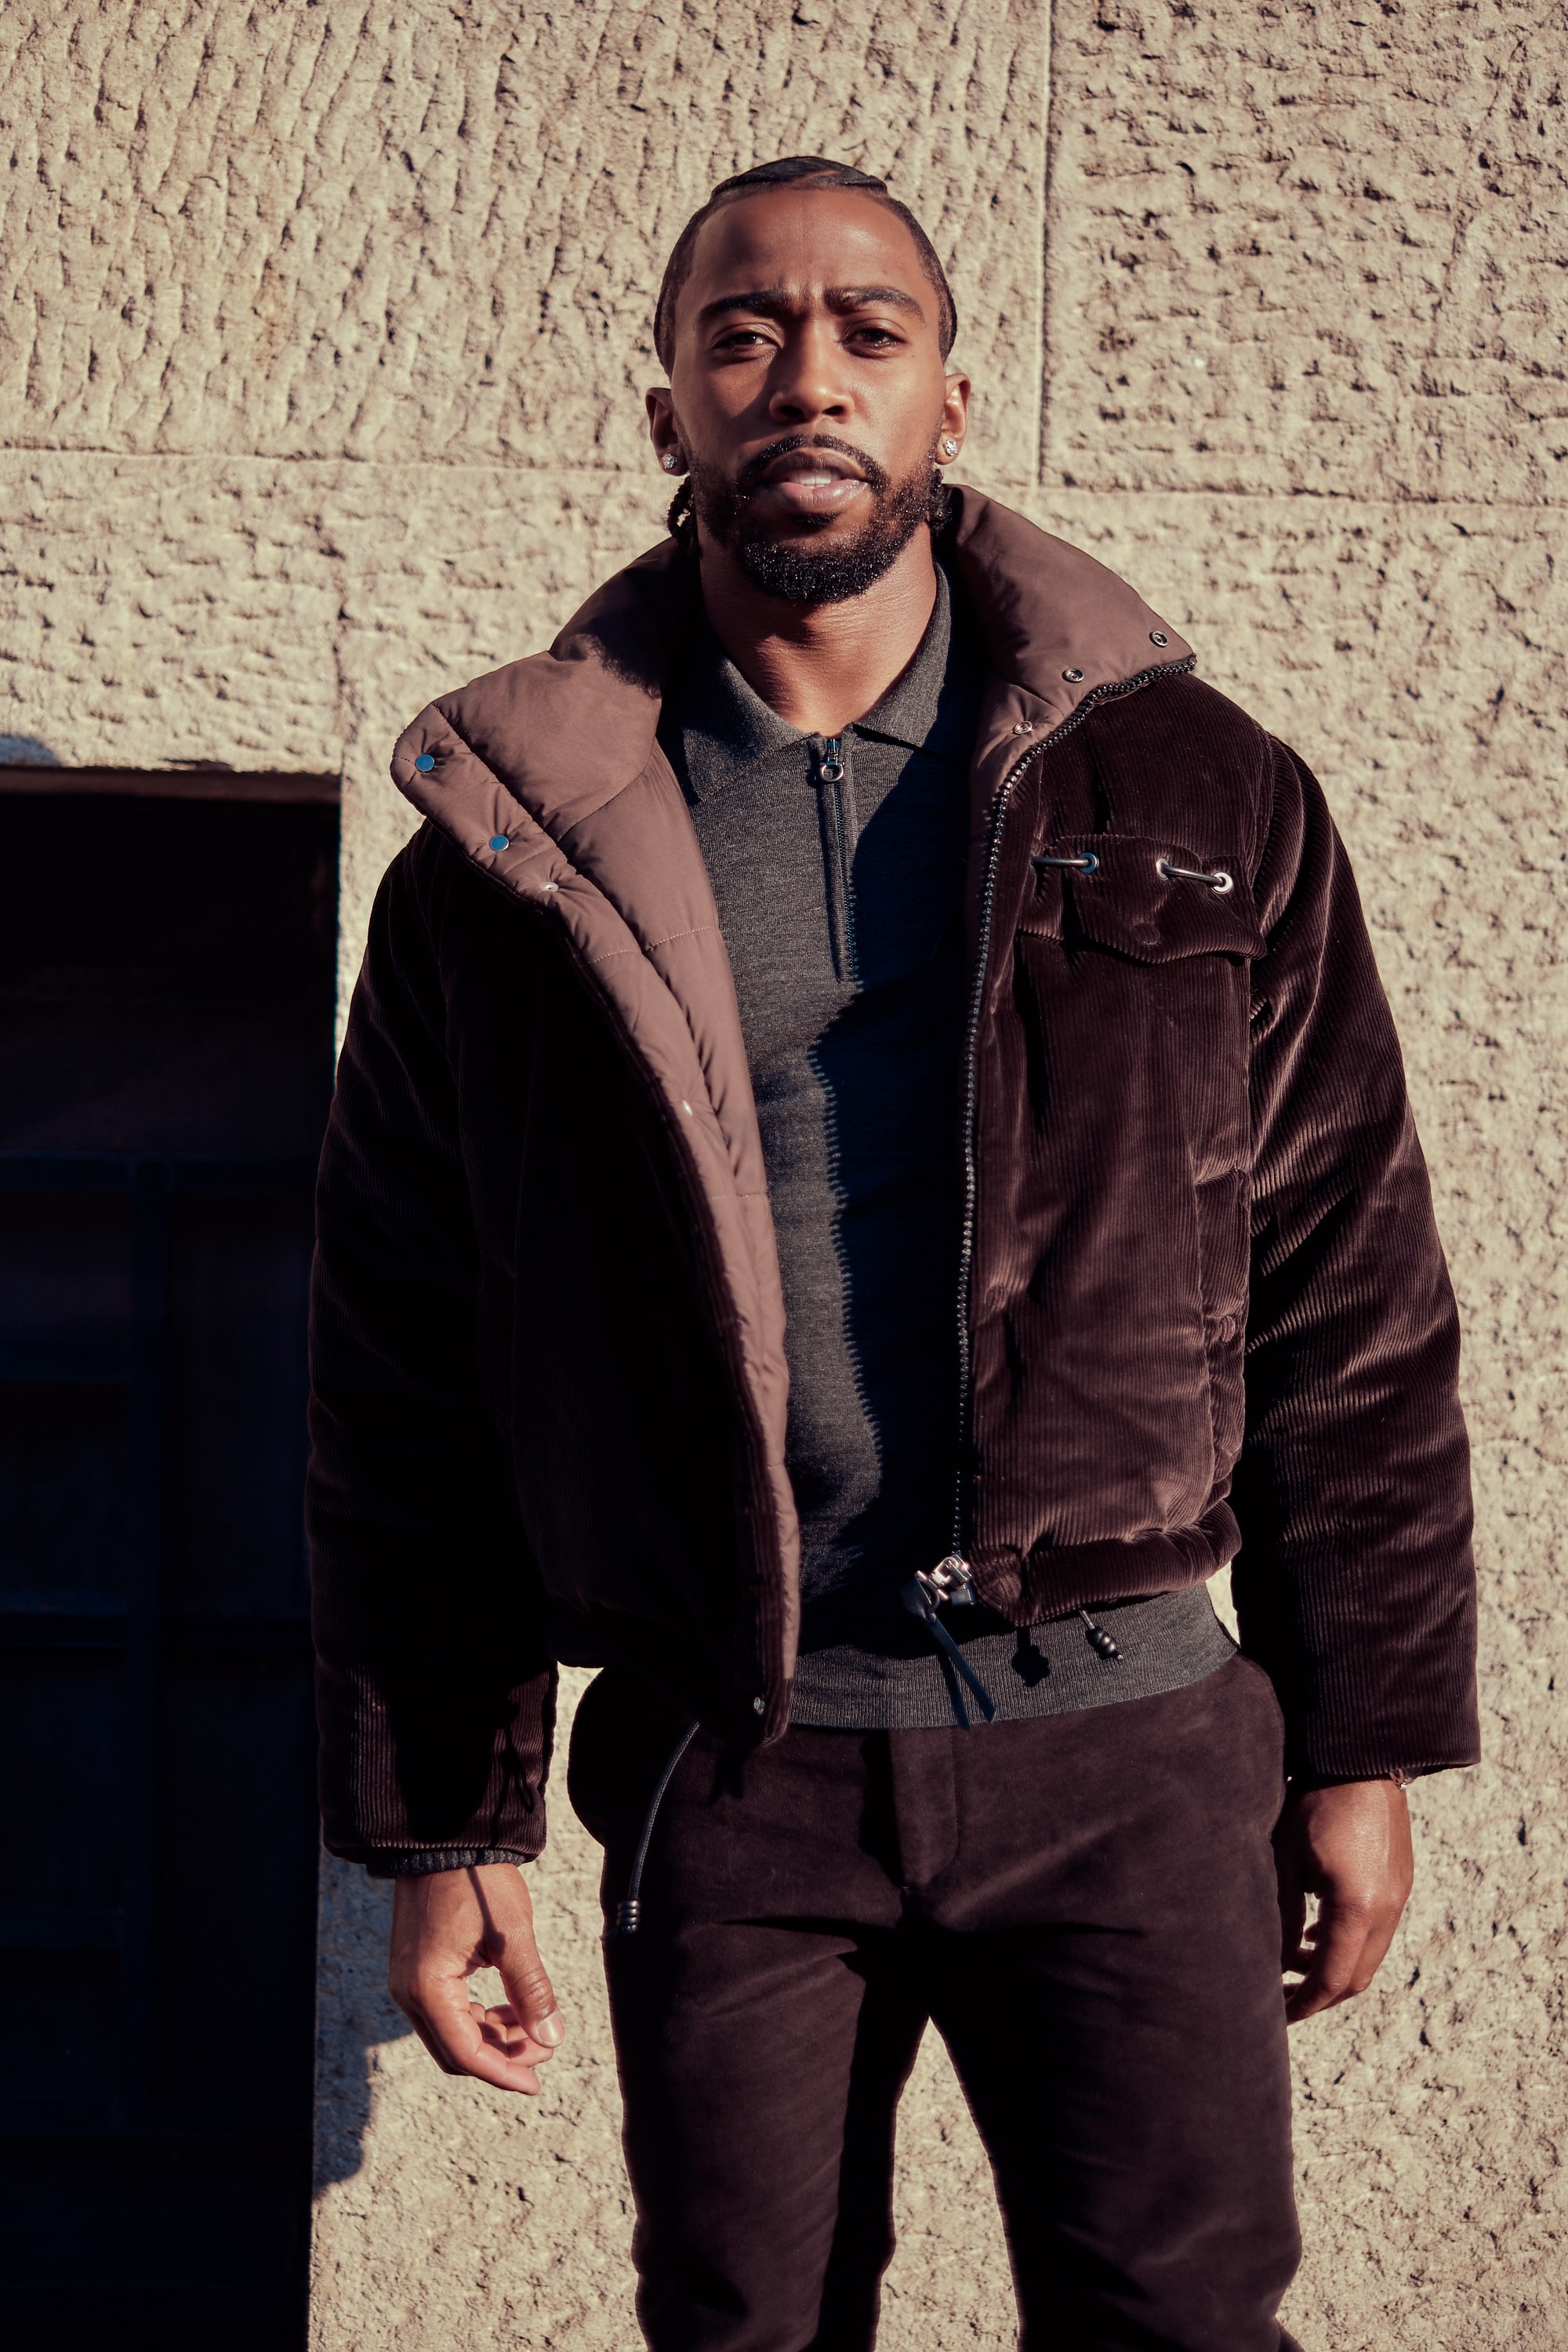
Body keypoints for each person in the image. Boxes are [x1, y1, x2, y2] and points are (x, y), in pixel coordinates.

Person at [307, 156, 1479, 2351]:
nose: (808, 377)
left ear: (953, 396)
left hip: (1131, 1751)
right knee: (745, 2332)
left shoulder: (1202, 790)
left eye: (870, 330)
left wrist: (1365, 1739)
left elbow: (1349, 1291)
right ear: (669, 406)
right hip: (735, 1758)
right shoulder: (509, 858)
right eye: (743, 331)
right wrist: (439, 1823)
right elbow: (403, 1365)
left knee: (1181, 2329)